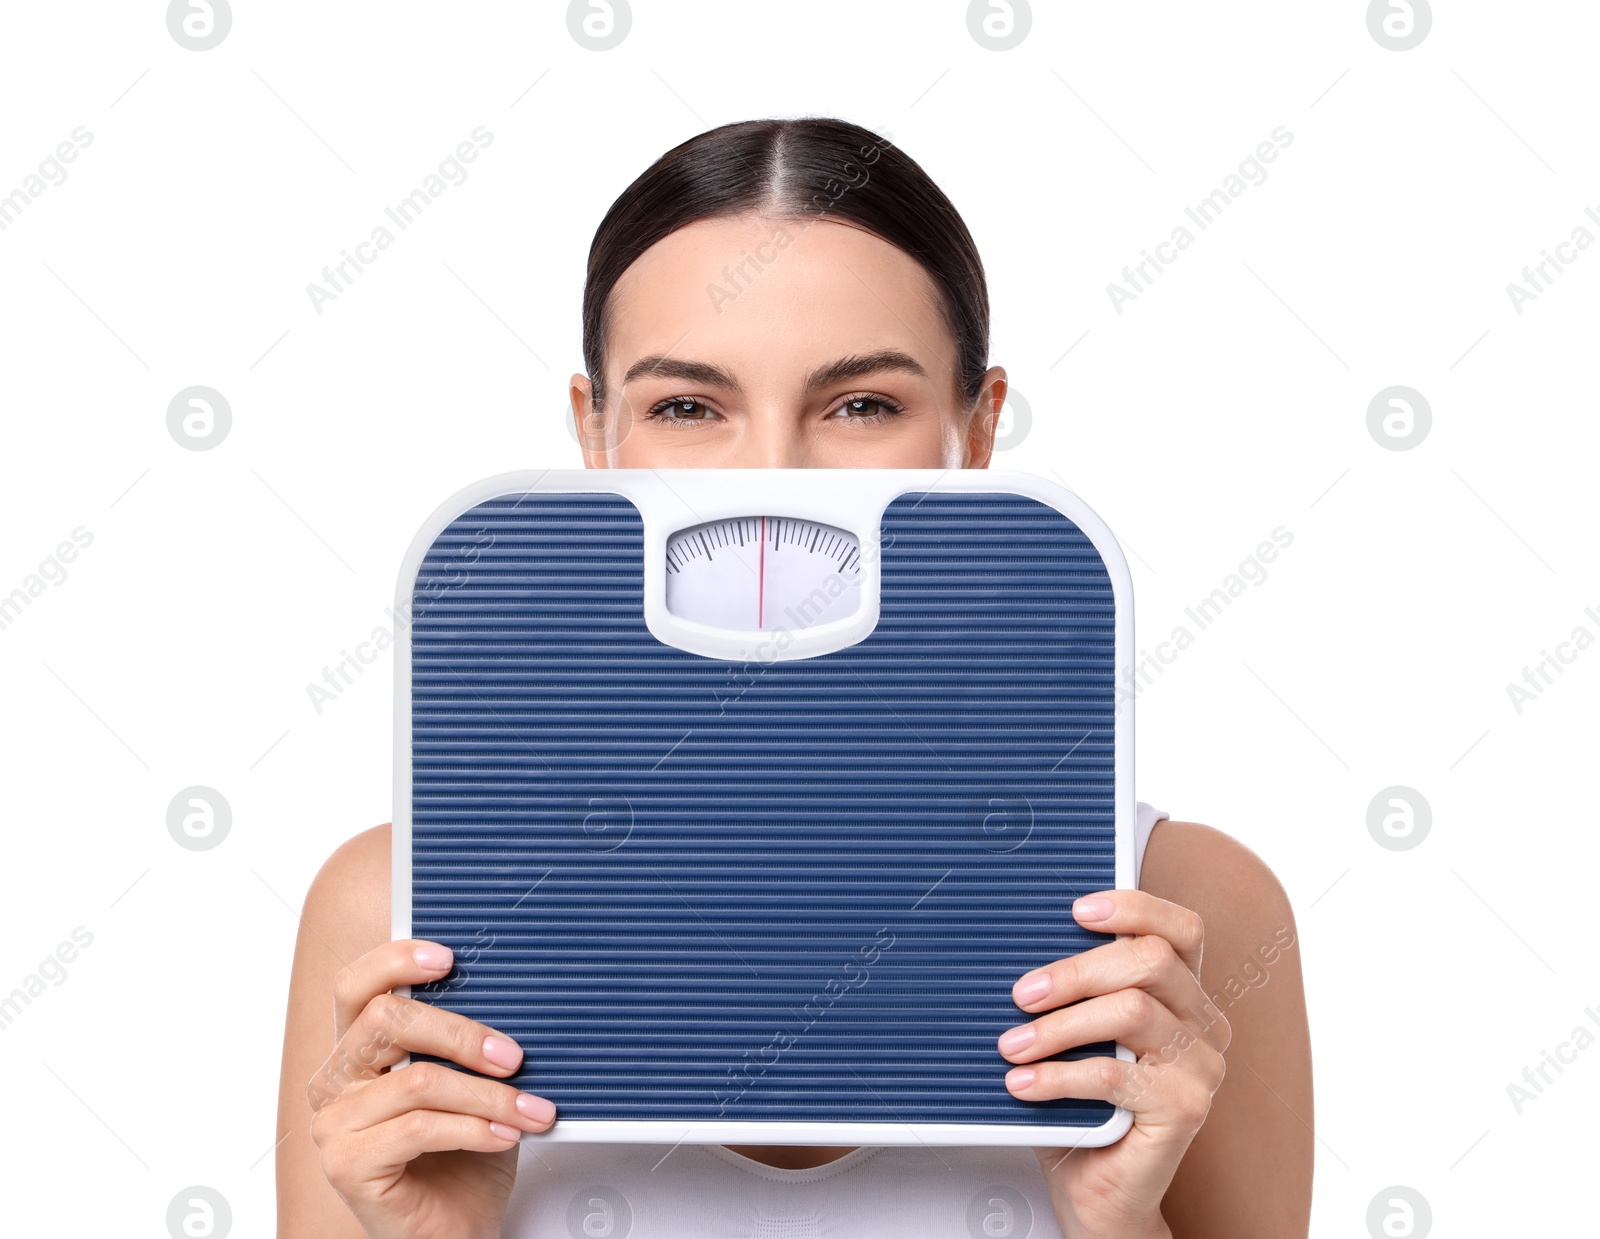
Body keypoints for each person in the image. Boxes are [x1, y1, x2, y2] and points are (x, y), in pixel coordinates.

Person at [276, 117, 1312, 1238]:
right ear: (594, 432)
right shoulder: (393, 917)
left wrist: (1116, 1219)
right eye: (686, 407)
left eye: (861, 405)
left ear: (978, 422)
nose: (772, 474)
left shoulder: (1185, 912)